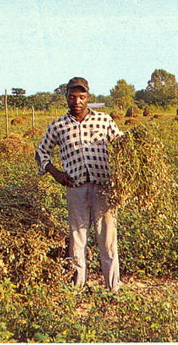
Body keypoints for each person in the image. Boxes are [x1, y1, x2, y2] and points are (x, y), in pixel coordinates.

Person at [35, 77, 123, 292]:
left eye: (81, 97)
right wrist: (55, 173)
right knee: (77, 238)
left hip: (104, 187)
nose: (77, 101)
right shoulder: (58, 126)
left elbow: (122, 145)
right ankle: (77, 287)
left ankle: (113, 288)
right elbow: (41, 152)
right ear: (66, 97)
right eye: (72, 97)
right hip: (76, 188)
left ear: (88, 98)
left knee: (107, 240)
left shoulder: (104, 120)